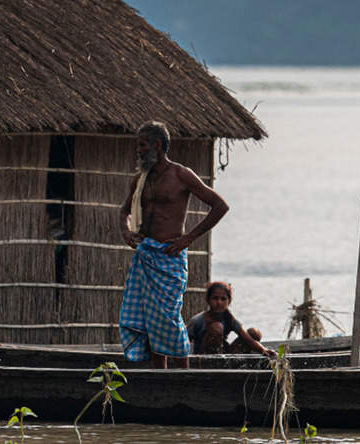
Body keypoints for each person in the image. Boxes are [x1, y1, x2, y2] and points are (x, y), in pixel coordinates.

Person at [118, 121, 229, 369]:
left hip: (170, 257)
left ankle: (183, 375)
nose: (138, 150)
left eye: (142, 145)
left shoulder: (181, 174)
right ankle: (160, 379)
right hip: (145, 255)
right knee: (148, 320)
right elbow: (124, 210)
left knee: (167, 317)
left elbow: (220, 206)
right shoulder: (140, 180)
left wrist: (188, 238)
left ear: (158, 146)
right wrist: (126, 231)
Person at [187, 281, 276, 357]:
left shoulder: (229, 318)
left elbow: (248, 339)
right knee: (216, 327)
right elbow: (184, 341)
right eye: (215, 298)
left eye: (223, 299)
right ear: (208, 300)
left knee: (254, 333)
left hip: (223, 354)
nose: (219, 302)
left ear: (229, 301)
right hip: (203, 358)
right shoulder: (197, 321)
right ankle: (213, 365)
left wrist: (263, 349)